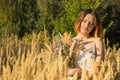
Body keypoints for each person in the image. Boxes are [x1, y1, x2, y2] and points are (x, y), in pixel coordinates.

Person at [67, 9, 104, 79]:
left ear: (95, 26)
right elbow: (59, 67)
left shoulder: (97, 41)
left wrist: (84, 77)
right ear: (80, 21)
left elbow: (98, 66)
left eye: (91, 23)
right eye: (84, 21)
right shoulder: (68, 42)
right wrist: (70, 72)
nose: (87, 25)